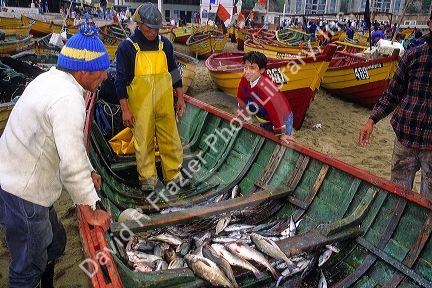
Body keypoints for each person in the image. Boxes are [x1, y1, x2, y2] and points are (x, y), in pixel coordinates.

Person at [0, 25, 111, 288]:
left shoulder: (50, 79)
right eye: (101, 70)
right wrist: (90, 208)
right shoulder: (67, 100)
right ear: (83, 72)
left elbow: (69, 146)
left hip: (18, 176)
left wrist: (90, 171)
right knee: (28, 267)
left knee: (56, 243)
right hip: (23, 191)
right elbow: (71, 165)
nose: (105, 76)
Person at [115, 3, 186, 192]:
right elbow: (120, 81)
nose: (153, 33)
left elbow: (175, 74)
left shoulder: (165, 45)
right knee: (143, 142)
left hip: (164, 105)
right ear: (139, 24)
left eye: (156, 29)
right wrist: (125, 109)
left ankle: (174, 174)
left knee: (171, 139)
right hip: (140, 108)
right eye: (148, 29)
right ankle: (148, 180)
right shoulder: (127, 48)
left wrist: (180, 98)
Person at [359, 13, 432, 197]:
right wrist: (372, 120)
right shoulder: (414, 56)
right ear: (430, 25)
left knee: (428, 202)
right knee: (398, 193)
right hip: (405, 136)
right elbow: (392, 93)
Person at [237, 51, 294, 144]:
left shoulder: (267, 87)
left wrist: (281, 134)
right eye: (245, 67)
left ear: (262, 70)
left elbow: (275, 111)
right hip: (265, 116)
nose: (247, 71)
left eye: (252, 68)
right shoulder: (245, 78)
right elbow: (241, 97)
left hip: (282, 117)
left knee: (281, 142)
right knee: (264, 139)